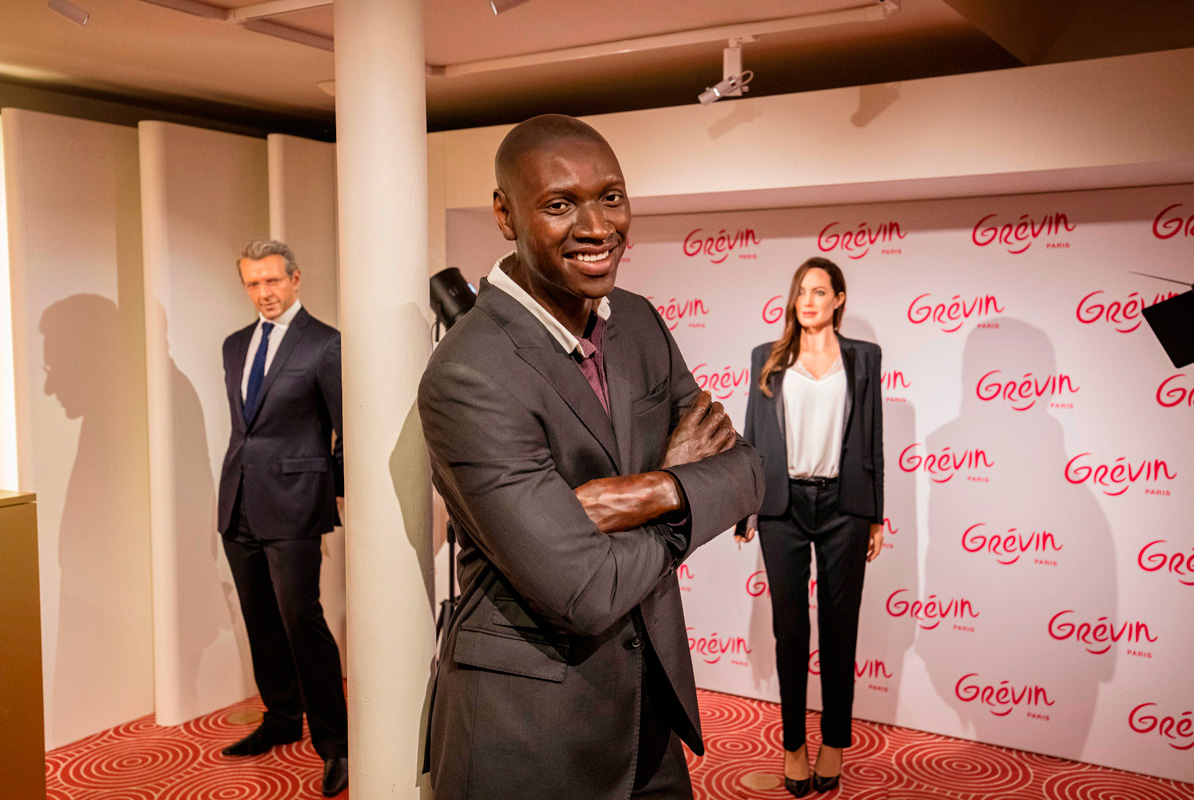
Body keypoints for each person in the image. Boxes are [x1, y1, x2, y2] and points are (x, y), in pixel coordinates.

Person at [418, 114, 764, 800]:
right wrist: (691, 490)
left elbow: (748, 468)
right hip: (531, 731)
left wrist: (640, 492)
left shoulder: (636, 319)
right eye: (558, 204)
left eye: (611, 196)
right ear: (504, 214)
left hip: (650, 715)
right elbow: (582, 590)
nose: (597, 226)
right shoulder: (469, 373)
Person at [734, 257, 884, 796]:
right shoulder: (767, 359)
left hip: (846, 506)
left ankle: (834, 743)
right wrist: (746, 507)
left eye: (820, 291)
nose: (808, 300)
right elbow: (751, 441)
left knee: (841, 629)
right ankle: (793, 745)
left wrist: (876, 514)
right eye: (801, 291)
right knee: (791, 631)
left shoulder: (864, 359)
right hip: (783, 507)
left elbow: (873, 438)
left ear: (839, 299)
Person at [216, 239, 348, 797]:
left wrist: (330, 494)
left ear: (296, 278)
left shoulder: (325, 344)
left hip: (296, 504)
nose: (263, 293)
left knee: (303, 622)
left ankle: (335, 744)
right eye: (253, 283)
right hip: (238, 499)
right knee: (260, 620)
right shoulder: (234, 345)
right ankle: (278, 718)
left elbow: (346, 429)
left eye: (272, 281)